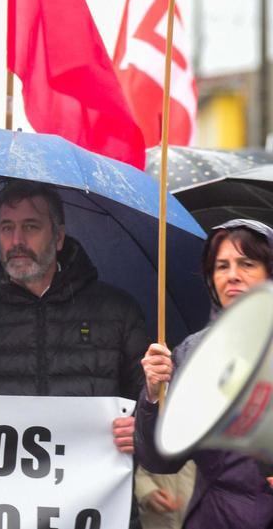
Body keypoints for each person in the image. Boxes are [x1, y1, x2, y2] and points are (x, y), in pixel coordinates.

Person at [0, 181, 147, 456]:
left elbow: (151, 409)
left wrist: (142, 431)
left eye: (31, 226)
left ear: (58, 237)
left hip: (93, 492)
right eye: (7, 227)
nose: (17, 241)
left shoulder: (117, 312)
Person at [135, 219, 273, 527]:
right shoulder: (192, 352)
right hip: (217, 518)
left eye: (247, 263)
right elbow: (161, 460)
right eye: (221, 266)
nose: (232, 276)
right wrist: (153, 395)